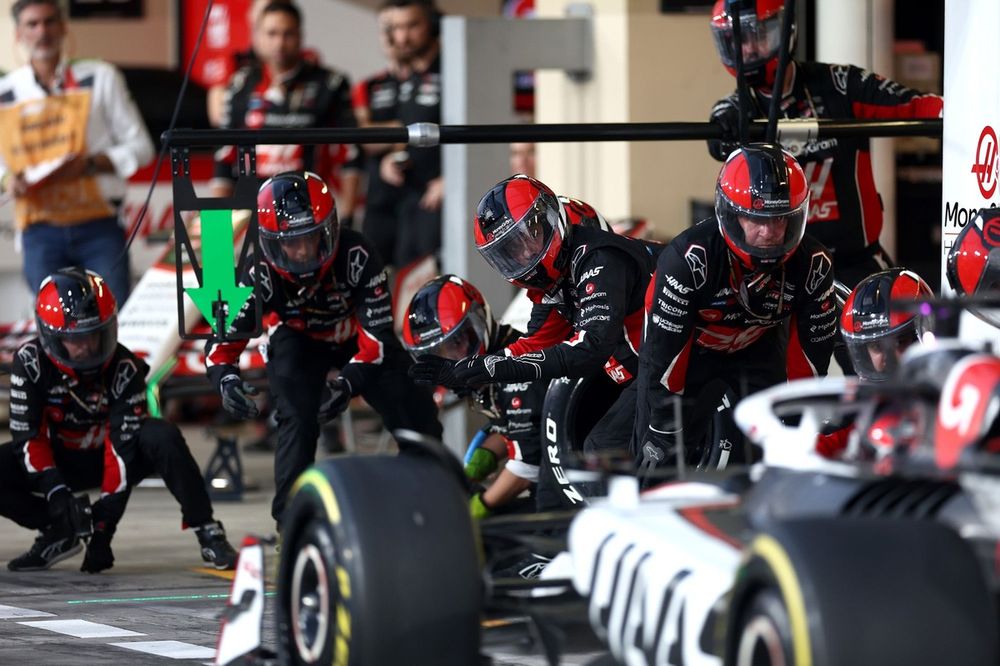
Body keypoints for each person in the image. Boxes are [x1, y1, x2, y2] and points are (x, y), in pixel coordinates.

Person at [205, 171, 442, 526]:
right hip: (298, 341)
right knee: (296, 420)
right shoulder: (257, 273)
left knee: (412, 400)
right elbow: (220, 344)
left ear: (329, 228)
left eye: (311, 238)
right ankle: (291, 525)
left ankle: (438, 495)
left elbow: (377, 339)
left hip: (357, 338)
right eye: (291, 242)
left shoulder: (358, 254)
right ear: (271, 242)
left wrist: (347, 384)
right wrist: (225, 381)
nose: (302, 252)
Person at [0, 268, 237, 573]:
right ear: (51, 336)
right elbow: (28, 437)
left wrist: (104, 526)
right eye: (76, 339)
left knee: (161, 435)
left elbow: (121, 449)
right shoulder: (29, 363)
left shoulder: (125, 367)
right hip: (60, 459)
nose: (87, 346)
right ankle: (59, 530)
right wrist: (56, 494)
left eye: (95, 334)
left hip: (114, 457)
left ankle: (207, 530)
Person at [410, 174, 660, 455]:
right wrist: (467, 369)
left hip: (686, 356)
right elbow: (533, 346)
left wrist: (484, 368)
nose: (526, 252)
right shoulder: (554, 287)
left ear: (550, 218)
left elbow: (589, 349)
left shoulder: (599, 258)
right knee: (592, 448)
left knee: (604, 448)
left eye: (531, 235)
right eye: (512, 250)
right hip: (650, 368)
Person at [706, 0, 944, 288]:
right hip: (778, 269)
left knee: (905, 324)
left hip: (856, 262)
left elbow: (917, 107)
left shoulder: (840, 83)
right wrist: (723, 130)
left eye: (757, 35)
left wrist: (972, 118)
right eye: (736, 40)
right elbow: (718, 141)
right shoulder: (734, 110)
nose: (748, 49)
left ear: (784, 30)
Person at [633, 143, 837, 476]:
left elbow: (810, 360)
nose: (768, 233)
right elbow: (663, 353)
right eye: (755, 218)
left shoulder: (814, 264)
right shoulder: (687, 260)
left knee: (782, 448)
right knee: (658, 453)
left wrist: (799, 420)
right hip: (691, 350)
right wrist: (662, 423)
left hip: (760, 346)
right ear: (731, 213)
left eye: (780, 220)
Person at [0, 0, 154, 305]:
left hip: (99, 225)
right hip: (39, 229)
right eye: (32, 24)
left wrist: (90, 165)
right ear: (19, 33)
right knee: (53, 329)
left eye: (49, 21)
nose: (42, 31)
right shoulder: (6, 93)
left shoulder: (100, 77)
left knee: (113, 319)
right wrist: (8, 180)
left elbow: (142, 149)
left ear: (63, 26)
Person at [403, 275, 545, 518]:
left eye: (458, 341)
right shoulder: (493, 361)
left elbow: (527, 467)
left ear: (480, 319)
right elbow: (519, 428)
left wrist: (480, 506)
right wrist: (476, 467)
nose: (452, 358)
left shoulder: (512, 366)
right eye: (438, 353)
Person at [210, 1, 359, 222]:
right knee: (213, 250)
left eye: (287, 34)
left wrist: (346, 217)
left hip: (309, 209)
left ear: (301, 36)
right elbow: (224, 159)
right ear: (258, 36)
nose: (279, 43)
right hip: (251, 210)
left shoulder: (330, 84)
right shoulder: (240, 85)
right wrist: (215, 227)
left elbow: (350, 156)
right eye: (272, 34)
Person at [356, 0, 443, 269]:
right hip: (399, 197)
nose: (402, 37)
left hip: (434, 199)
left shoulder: (453, 68)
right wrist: (389, 157)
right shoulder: (404, 78)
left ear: (432, 25)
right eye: (396, 28)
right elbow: (388, 134)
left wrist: (451, 179)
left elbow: (478, 128)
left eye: (412, 26)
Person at [816, 267, 934, 459]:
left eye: (899, 342)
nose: (888, 355)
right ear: (862, 351)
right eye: (877, 347)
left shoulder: (953, 395)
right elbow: (813, 452)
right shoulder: (859, 412)